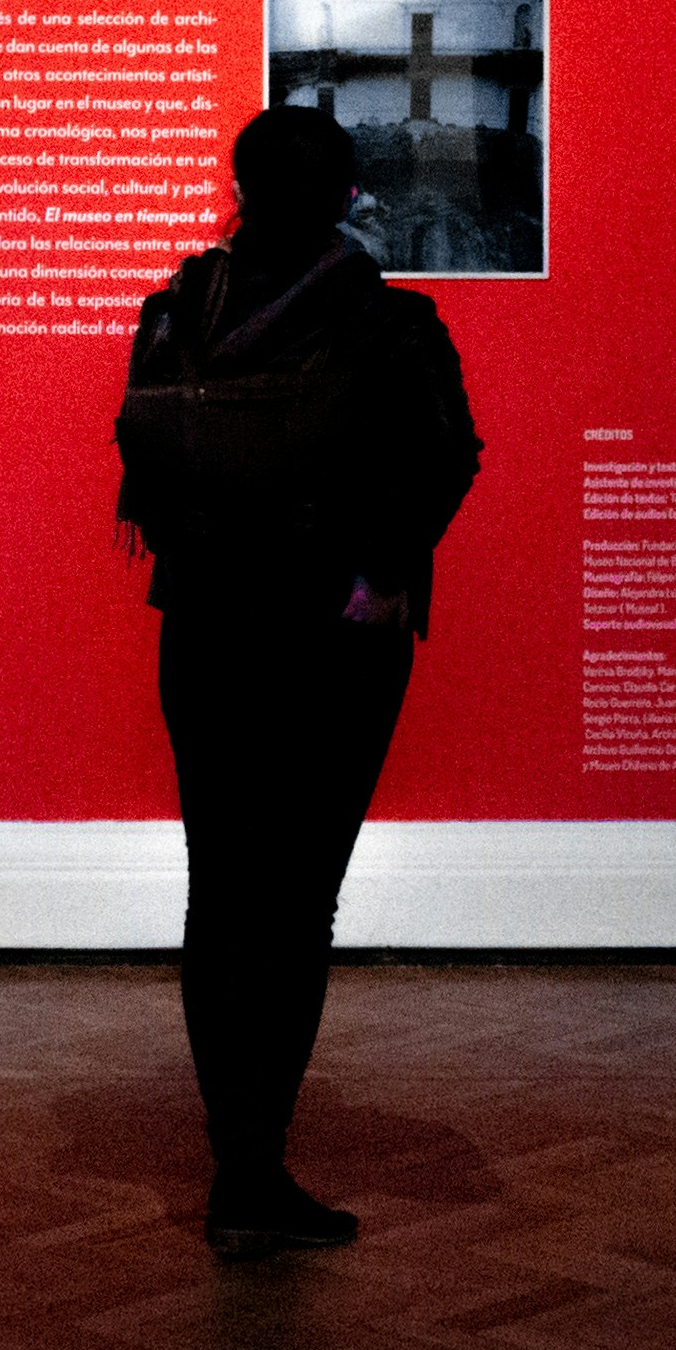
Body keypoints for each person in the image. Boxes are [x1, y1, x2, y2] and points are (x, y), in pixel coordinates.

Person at [116, 105, 484, 1254]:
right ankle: (254, 1171)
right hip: (335, 632)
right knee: (296, 895)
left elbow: (143, 467)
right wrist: (378, 573)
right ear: (345, 194)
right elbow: (446, 459)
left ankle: (238, 1167)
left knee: (218, 886)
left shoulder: (173, 310)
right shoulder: (384, 323)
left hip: (206, 630)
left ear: (236, 184)